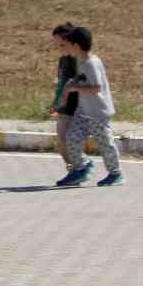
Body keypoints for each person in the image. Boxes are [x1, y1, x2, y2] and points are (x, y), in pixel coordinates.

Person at [56, 25, 124, 187]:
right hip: (83, 111)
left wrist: (73, 88)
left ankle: (116, 173)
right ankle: (82, 167)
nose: (66, 47)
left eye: (68, 44)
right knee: (71, 138)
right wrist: (68, 87)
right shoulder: (81, 60)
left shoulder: (92, 63)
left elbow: (96, 88)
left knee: (105, 144)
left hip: (98, 112)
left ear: (76, 46)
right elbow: (81, 79)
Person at [48, 22, 84, 183]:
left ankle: (80, 168)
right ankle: (75, 170)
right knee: (62, 140)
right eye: (56, 42)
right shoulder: (63, 60)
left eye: (61, 42)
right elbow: (61, 83)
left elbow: (84, 81)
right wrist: (55, 102)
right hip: (64, 106)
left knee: (67, 139)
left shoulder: (80, 60)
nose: (58, 45)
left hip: (78, 106)